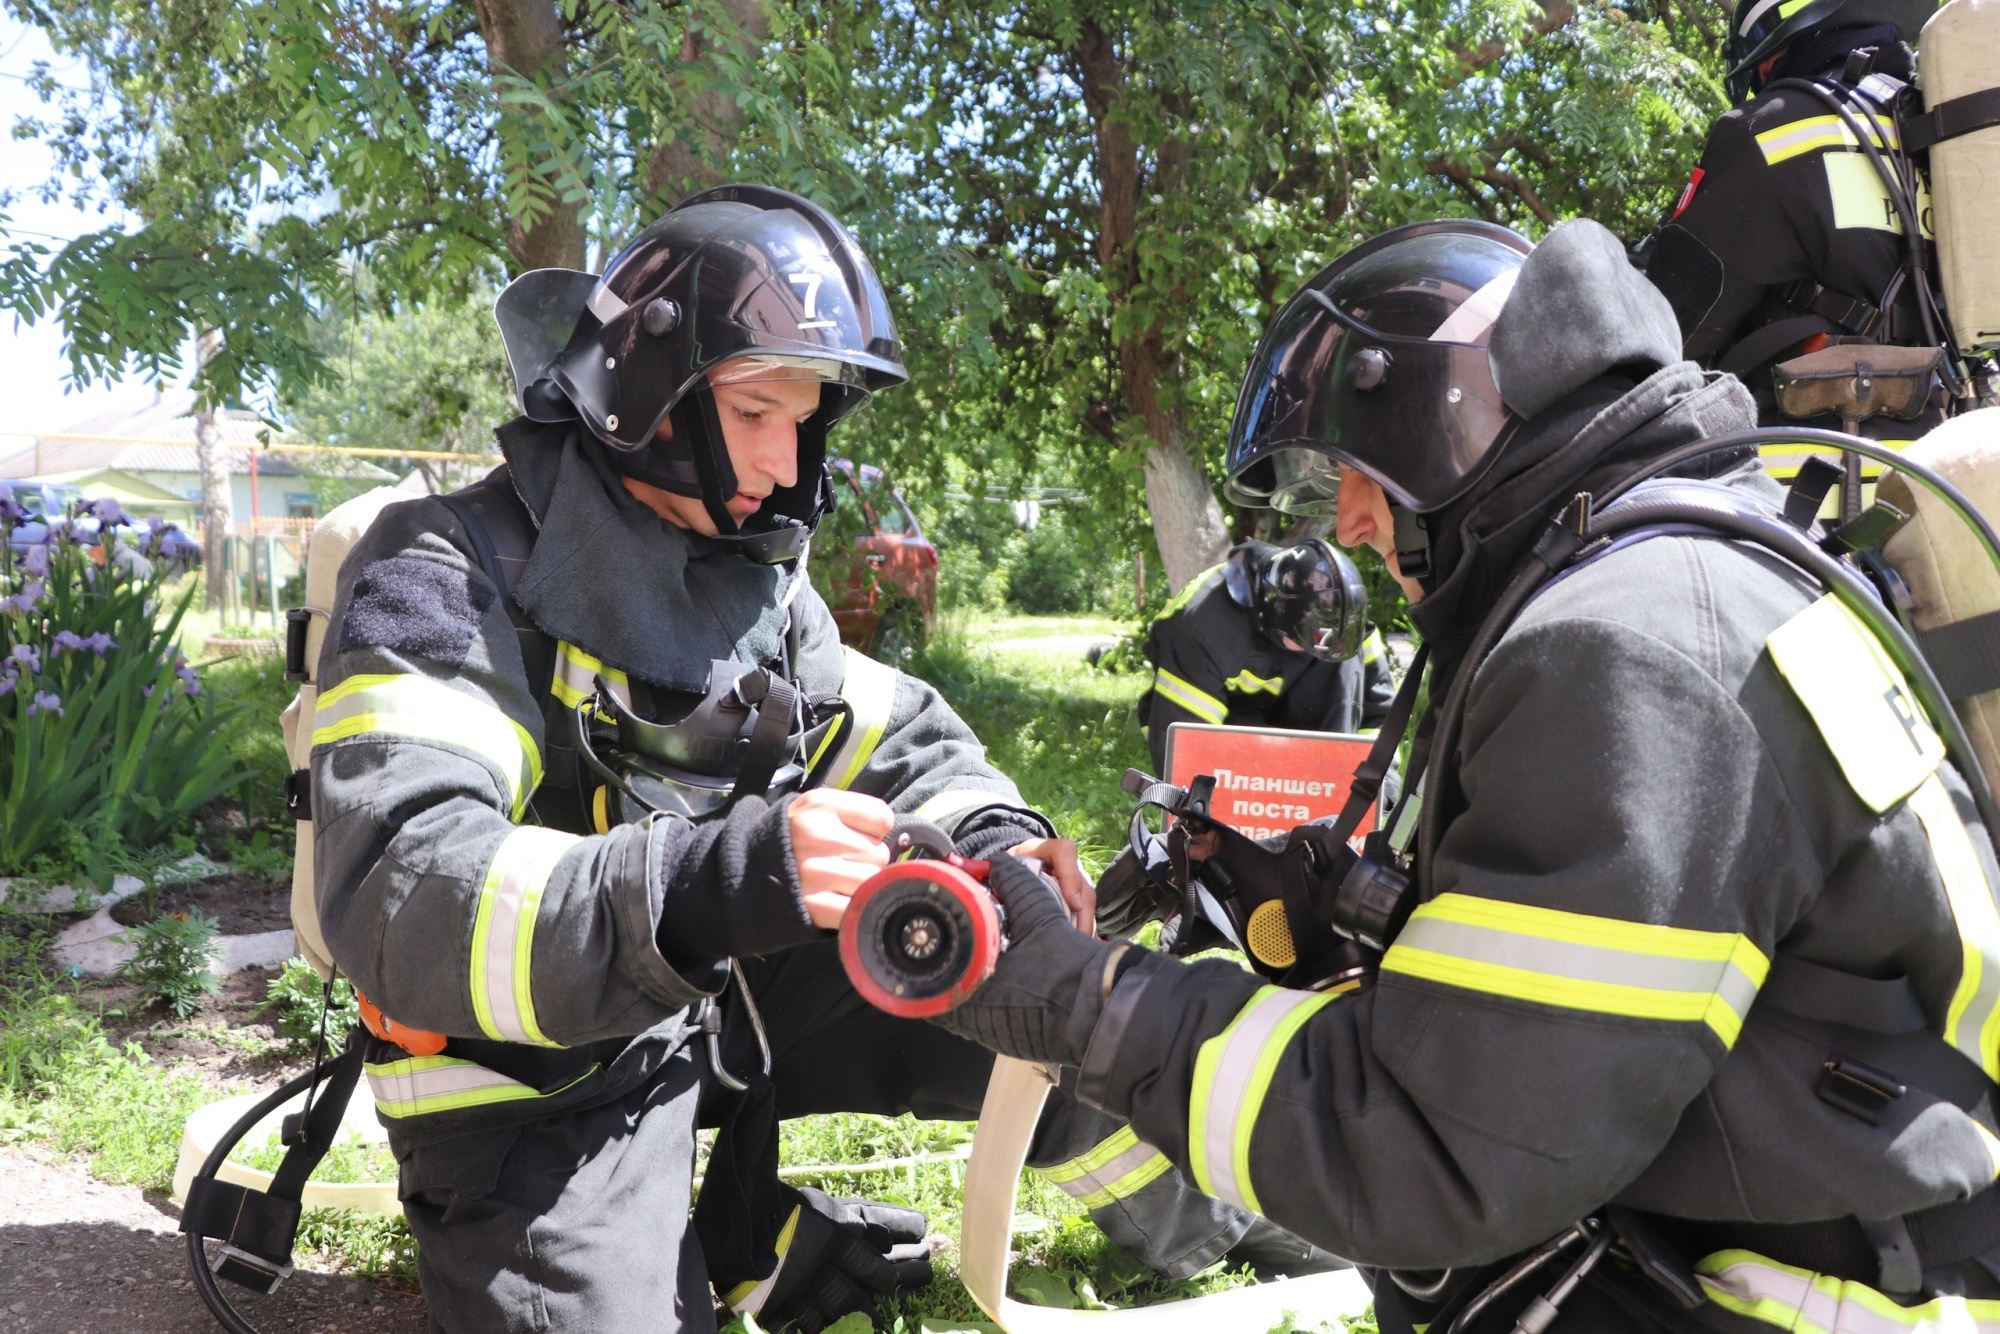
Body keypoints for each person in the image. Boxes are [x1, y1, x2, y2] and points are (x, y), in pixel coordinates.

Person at [938, 216, 2000, 1332]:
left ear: (1451, 427)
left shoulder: (1621, 652)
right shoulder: (1697, 566)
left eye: (1358, 470)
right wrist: (1336, 924)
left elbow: (1428, 1149)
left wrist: (1088, 1004)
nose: (1346, 522)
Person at [307, 185, 1320, 1334]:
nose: (785, 460)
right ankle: (688, 1245)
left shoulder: (751, 574)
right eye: (752, 412)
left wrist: (993, 841)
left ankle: (1230, 1213)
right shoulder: (444, 571)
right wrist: (713, 881)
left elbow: (901, 736)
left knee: (1014, 963)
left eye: (802, 417)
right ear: (643, 393)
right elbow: (402, 886)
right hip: (525, 1065)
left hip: (721, 987)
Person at [1641, 0, 1945, 461]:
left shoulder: (1764, 130)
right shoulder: (1941, 139)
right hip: (1947, 470)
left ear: (1768, 55)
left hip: (1798, 483)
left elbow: (1671, 325)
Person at [1140, 537, 1395, 774]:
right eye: (1305, 639)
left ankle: (1328, 777)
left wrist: (1375, 791)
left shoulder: (1344, 626)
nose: (1314, 651)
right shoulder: (1204, 628)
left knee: (1341, 668)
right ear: (1276, 613)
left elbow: (1380, 718)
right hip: (1231, 732)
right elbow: (1184, 756)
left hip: (1306, 730)